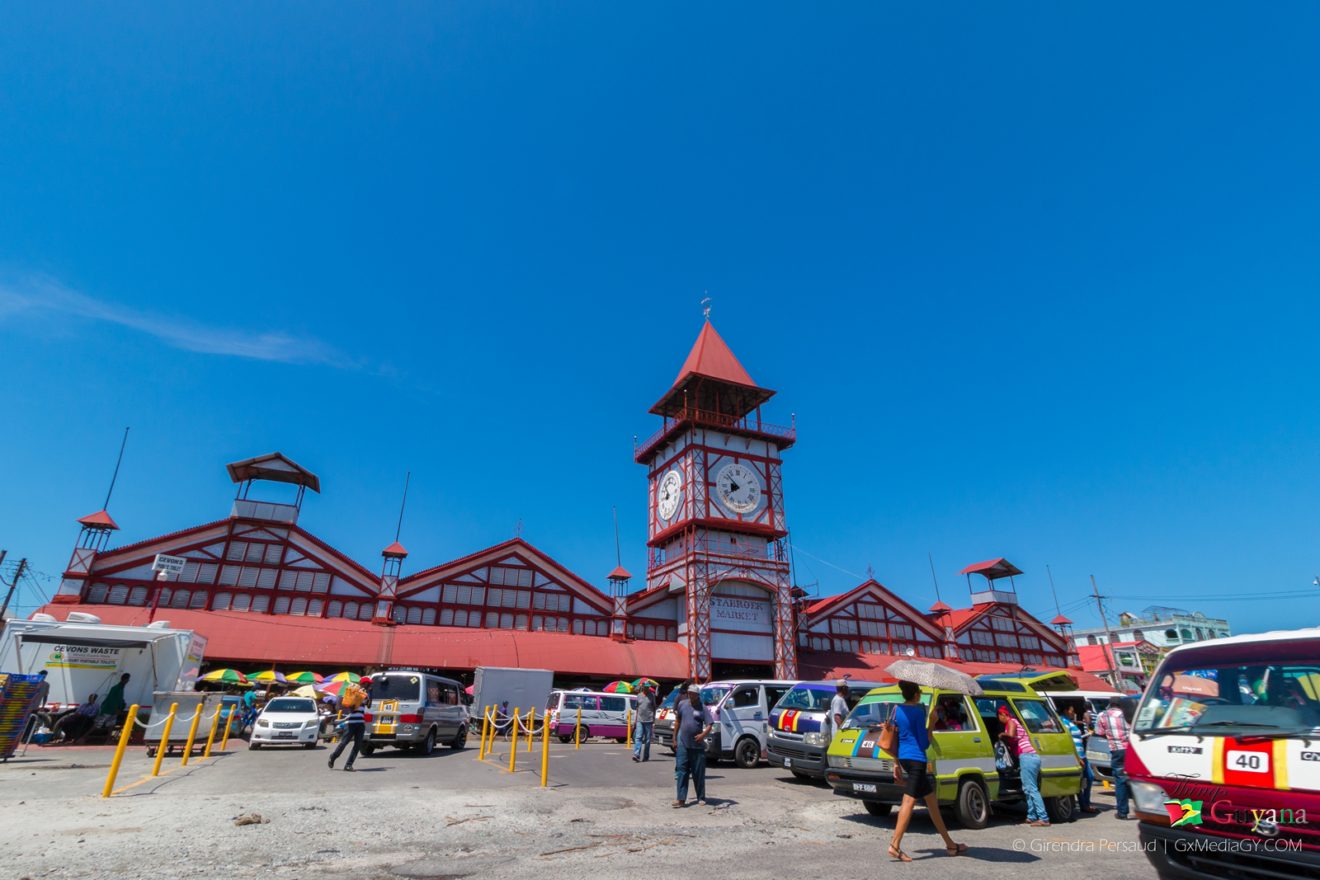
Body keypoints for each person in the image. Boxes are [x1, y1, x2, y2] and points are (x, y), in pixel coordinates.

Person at [887, 681, 967, 861]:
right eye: (920, 691)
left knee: (932, 802)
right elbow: (924, 743)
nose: (921, 693)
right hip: (917, 760)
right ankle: (894, 845)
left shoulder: (896, 710)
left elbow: (893, 738)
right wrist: (932, 723)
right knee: (908, 801)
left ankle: (950, 844)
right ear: (915, 694)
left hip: (903, 758)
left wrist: (895, 764)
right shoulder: (917, 712)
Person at [1001, 704, 1047, 826]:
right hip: (1030, 757)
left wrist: (1001, 735)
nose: (1000, 720)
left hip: (1027, 757)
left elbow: (1010, 735)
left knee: (1032, 789)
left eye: (999, 717)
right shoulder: (1016, 722)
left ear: (1003, 715)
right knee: (1027, 789)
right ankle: (1031, 816)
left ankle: (1043, 818)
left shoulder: (1011, 722)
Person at [673, 689, 712, 807]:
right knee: (682, 771)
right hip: (683, 743)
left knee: (698, 772)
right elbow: (678, 721)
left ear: (697, 695)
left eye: (692, 694)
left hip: (697, 745)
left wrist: (702, 735)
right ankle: (681, 799)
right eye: (689, 693)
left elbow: (710, 724)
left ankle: (701, 797)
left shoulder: (703, 708)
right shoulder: (682, 704)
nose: (690, 695)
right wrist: (674, 738)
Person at [1095, 696, 1132, 820]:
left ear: (1110, 704)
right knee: (1136, 778)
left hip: (1116, 750)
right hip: (1131, 750)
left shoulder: (1102, 715)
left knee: (1120, 780)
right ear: (1120, 705)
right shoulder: (1128, 713)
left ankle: (1122, 812)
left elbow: (1099, 733)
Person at [1061, 705, 1097, 815]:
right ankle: (1084, 804)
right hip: (1076, 755)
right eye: (1072, 710)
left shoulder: (1070, 721)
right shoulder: (1063, 721)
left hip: (1082, 755)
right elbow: (1068, 740)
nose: (1073, 712)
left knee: (1089, 777)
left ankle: (1085, 802)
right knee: (1080, 780)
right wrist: (1076, 757)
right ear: (1066, 710)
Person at [328, 697, 366, 771]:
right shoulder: (352, 695)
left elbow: (368, 705)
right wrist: (357, 700)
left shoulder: (364, 696)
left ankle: (348, 765)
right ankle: (333, 756)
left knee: (357, 745)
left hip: (361, 723)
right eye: (365, 685)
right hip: (351, 724)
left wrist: (368, 696)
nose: (366, 686)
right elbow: (351, 709)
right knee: (344, 743)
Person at [633, 685, 656, 763]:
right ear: (642, 687)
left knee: (648, 740)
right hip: (640, 719)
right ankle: (636, 755)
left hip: (649, 720)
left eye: (648, 687)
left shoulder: (652, 696)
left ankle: (646, 756)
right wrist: (635, 720)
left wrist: (654, 718)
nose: (646, 688)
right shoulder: (639, 695)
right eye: (645, 687)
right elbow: (637, 707)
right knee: (638, 737)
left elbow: (654, 707)